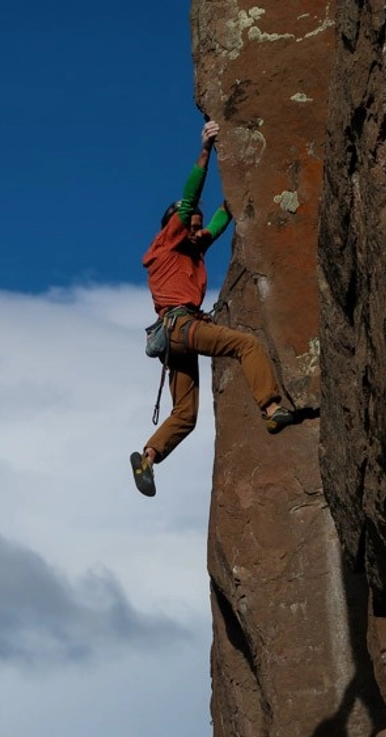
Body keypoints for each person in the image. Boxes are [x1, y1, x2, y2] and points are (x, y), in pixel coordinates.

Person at [130, 120, 294, 498]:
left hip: (175, 339)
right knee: (246, 344)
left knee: (185, 415)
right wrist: (205, 151)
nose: (196, 230)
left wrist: (237, 189)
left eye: (197, 227)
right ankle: (271, 410)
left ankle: (147, 457)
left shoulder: (191, 246)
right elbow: (189, 201)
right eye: (191, 226)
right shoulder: (168, 243)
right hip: (181, 327)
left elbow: (218, 224)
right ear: (174, 227)